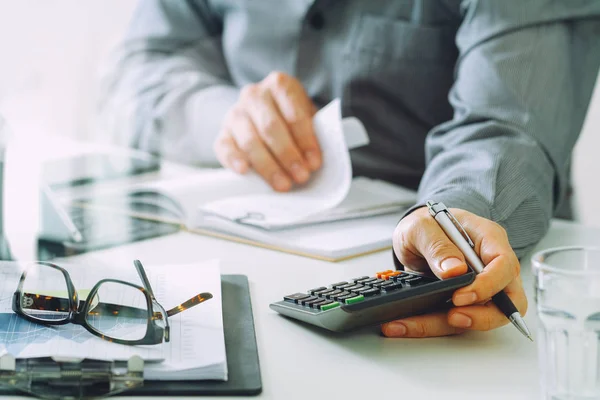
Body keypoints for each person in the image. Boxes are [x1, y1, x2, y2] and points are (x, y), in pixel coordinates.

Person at [99, 1, 600, 338]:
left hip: (436, 270)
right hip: (231, 249)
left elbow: (509, 124)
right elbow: (136, 71)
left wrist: (454, 219)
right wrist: (225, 116)